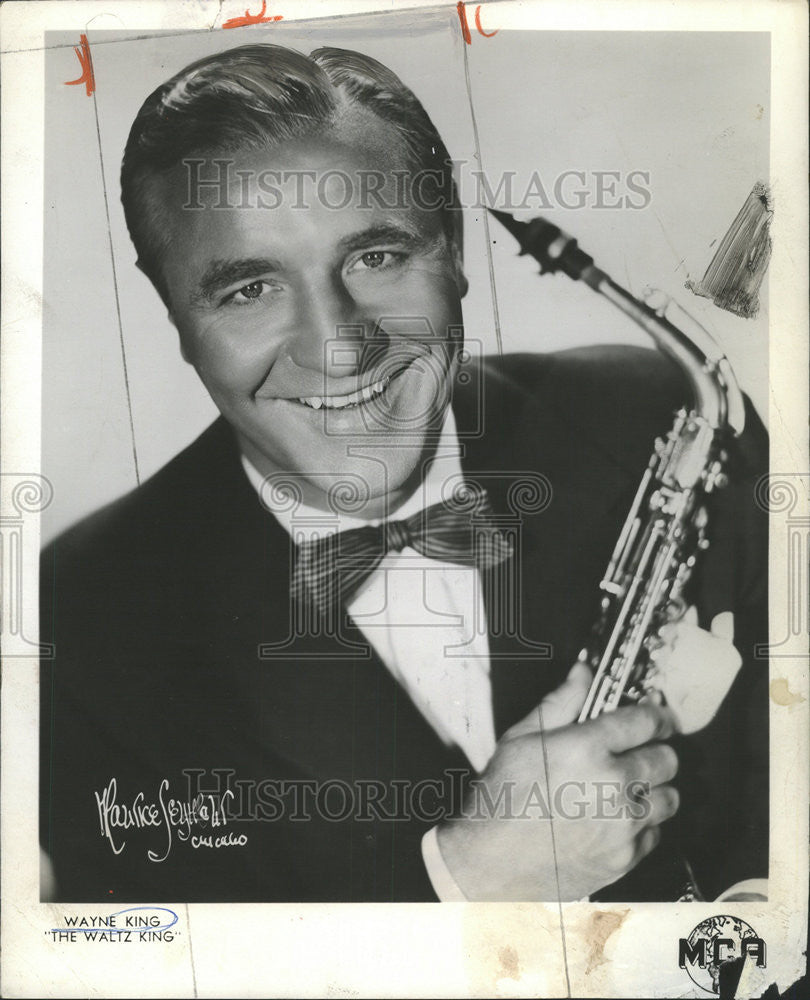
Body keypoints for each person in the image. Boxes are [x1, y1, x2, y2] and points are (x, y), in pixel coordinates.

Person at [40, 43, 768, 903]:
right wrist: (461, 882)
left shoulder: (649, 413)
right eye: (248, 291)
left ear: (453, 248)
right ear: (174, 314)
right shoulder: (77, 629)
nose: (341, 346)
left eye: (377, 258)